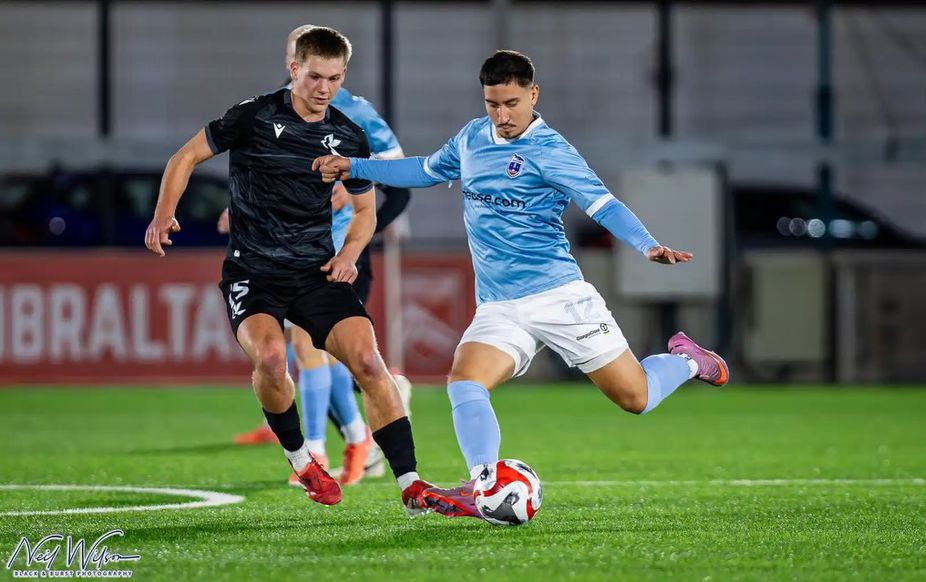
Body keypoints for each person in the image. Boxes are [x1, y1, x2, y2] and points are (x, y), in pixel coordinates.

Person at [313, 50, 730, 518]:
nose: (502, 114)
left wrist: (647, 244)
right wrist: (355, 166)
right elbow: (425, 170)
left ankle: (689, 362)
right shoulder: (473, 138)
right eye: (493, 103)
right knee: (465, 381)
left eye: (511, 102)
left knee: (636, 398)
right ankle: (483, 483)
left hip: (559, 297)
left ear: (533, 94)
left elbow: (604, 205)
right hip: (499, 306)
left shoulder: (552, 150)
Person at [145, 26, 432, 515]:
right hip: (252, 273)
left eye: (335, 79)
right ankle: (303, 459)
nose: (324, 89)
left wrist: (347, 256)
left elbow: (365, 215)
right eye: (315, 76)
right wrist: (162, 213)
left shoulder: (348, 135)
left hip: (315, 271)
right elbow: (185, 156)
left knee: (368, 363)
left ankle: (412, 484)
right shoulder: (252, 116)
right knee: (274, 361)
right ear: (294, 68)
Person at [228, 25, 413, 487]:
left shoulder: (355, 116)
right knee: (308, 358)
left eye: (327, 74)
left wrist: (356, 235)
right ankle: (346, 440)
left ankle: (328, 448)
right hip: (286, 257)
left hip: (335, 257)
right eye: (301, 64)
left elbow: (395, 182)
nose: (317, 83)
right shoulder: (275, 113)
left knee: (317, 357)